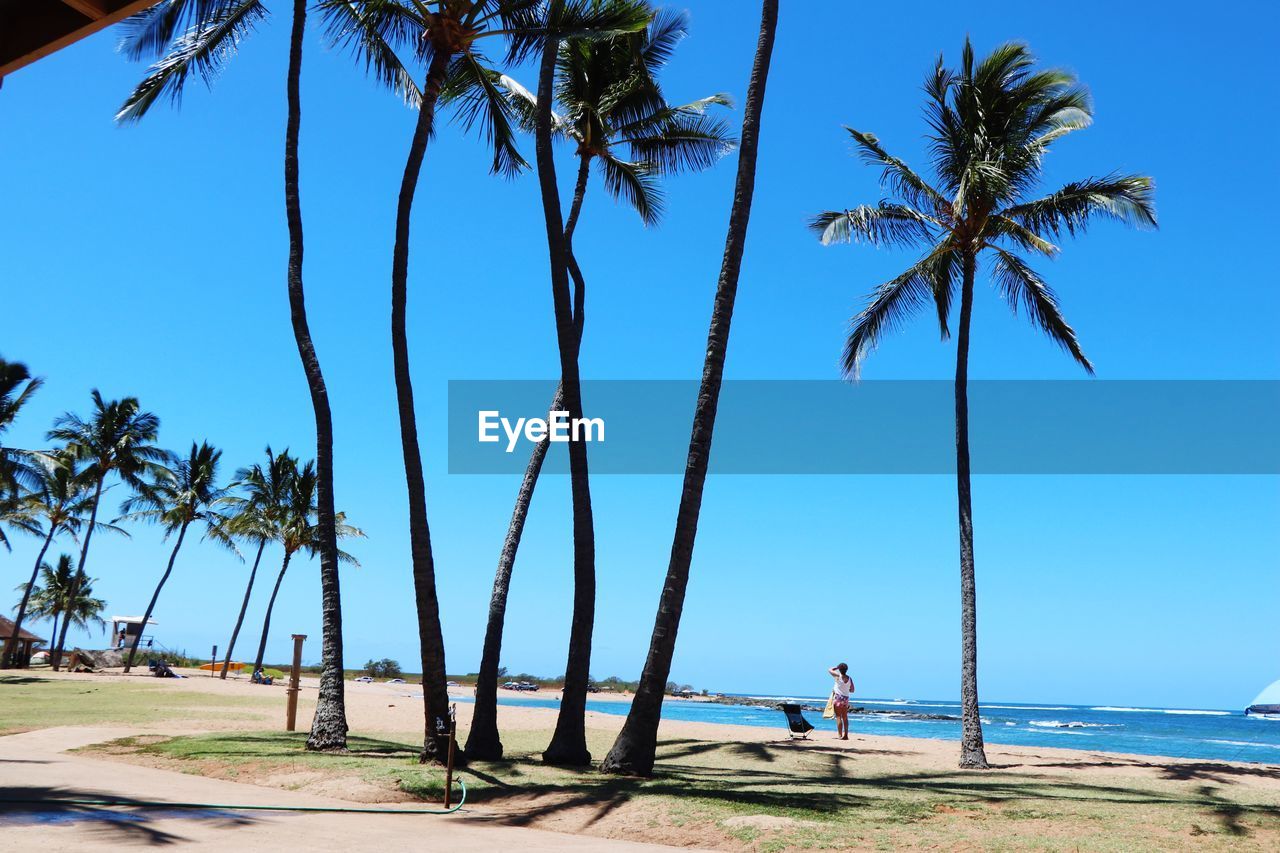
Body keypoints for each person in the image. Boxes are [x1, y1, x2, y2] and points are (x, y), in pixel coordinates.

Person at [828, 663, 855, 740]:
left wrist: (836, 667)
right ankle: (846, 735)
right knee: (845, 717)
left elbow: (829, 669)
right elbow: (852, 690)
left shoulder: (837, 676)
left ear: (840, 669)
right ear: (846, 670)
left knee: (838, 717)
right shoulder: (849, 678)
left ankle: (840, 735)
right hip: (845, 699)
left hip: (838, 698)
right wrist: (847, 689)